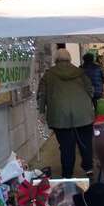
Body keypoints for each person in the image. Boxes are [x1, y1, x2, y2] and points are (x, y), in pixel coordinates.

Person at [37, 49, 95, 179]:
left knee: (66, 146)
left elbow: (42, 95)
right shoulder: (80, 73)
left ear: (55, 59)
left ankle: (67, 174)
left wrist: (41, 112)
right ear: (69, 59)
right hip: (83, 115)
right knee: (85, 143)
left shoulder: (48, 75)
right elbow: (90, 90)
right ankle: (88, 169)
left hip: (60, 116)